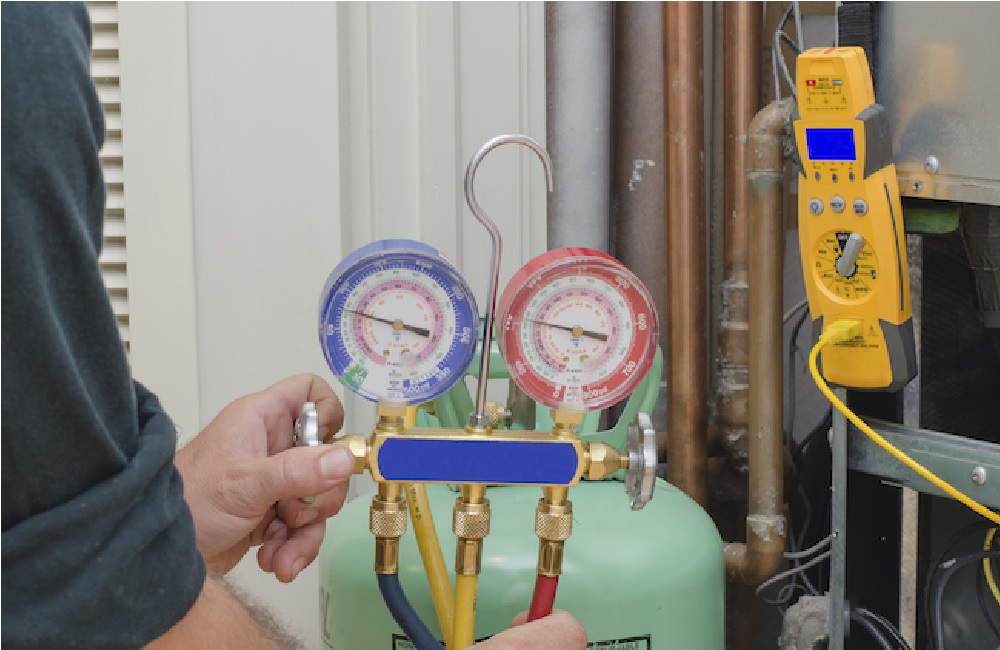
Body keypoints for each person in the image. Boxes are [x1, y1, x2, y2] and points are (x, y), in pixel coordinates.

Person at [0, 4, 586, 648]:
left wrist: (165, 521)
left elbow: (42, 572)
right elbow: (81, 604)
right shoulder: (20, 43)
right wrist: (128, 551)